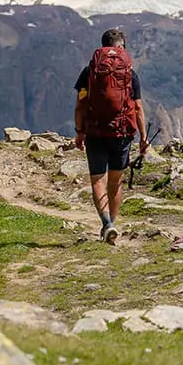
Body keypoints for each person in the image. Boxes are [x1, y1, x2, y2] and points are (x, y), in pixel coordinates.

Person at [73, 28, 146, 245]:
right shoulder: (130, 74)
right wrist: (143, 137)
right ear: (121, 47)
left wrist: (79, 132)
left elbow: (79, 105)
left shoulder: (90, 72)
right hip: (122, 132)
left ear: (103, 46)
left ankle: (106, 224)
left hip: (95, 131)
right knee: (116, 181)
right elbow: (138, 107)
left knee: (98, 179)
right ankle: (112, 223)